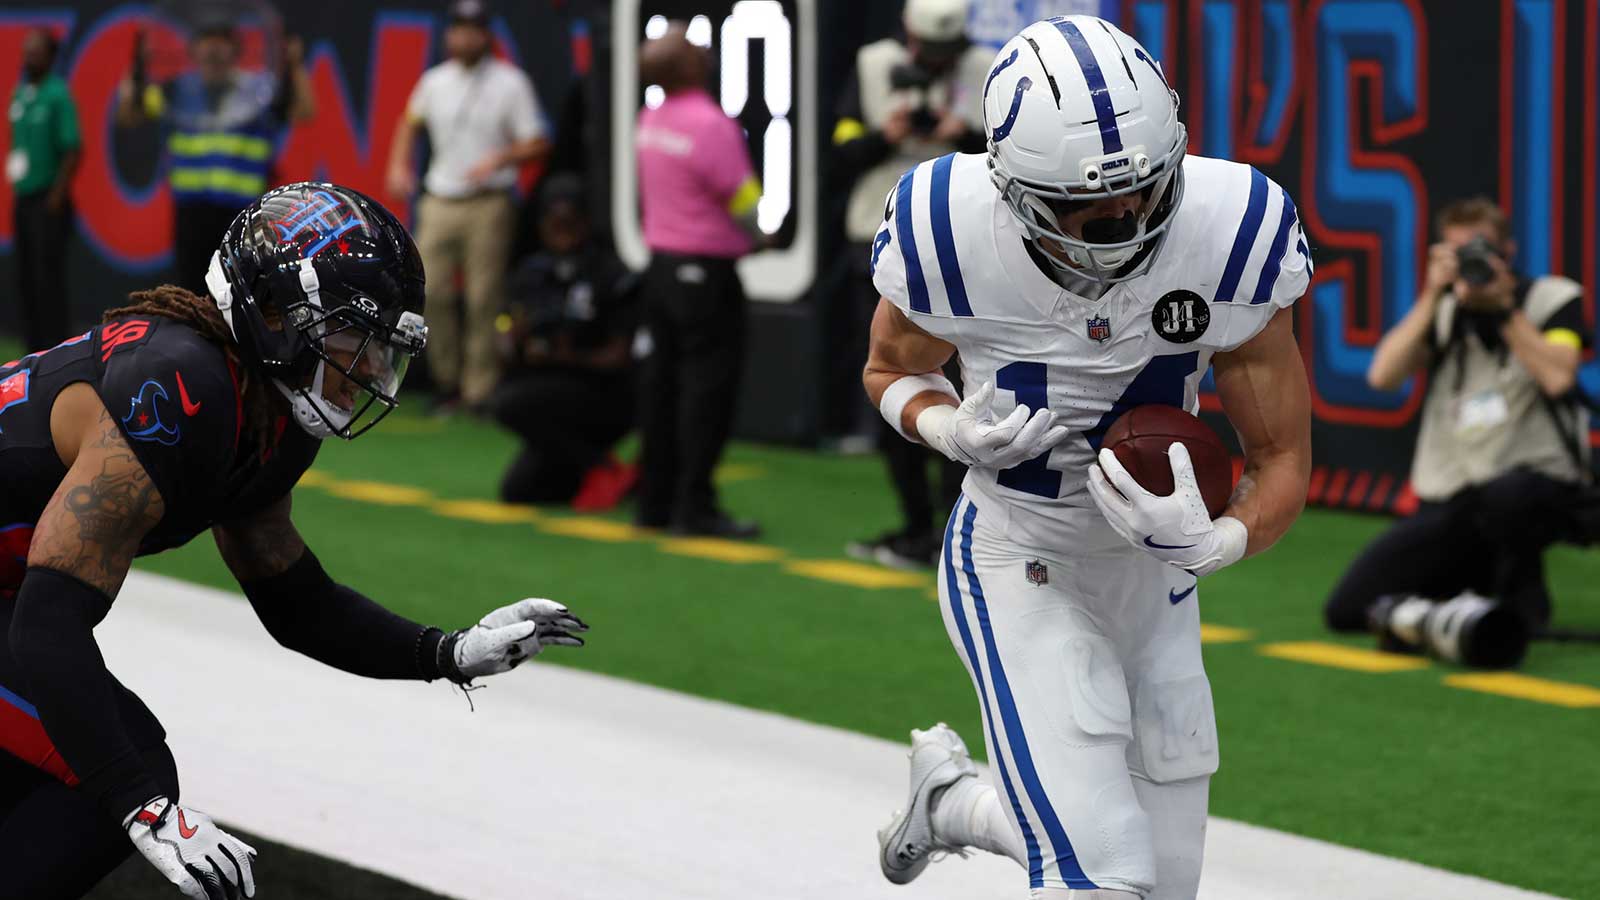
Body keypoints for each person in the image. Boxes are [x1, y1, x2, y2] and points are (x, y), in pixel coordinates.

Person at [0, 182, 587, 900]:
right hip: (20, 603)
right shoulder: (178, 386)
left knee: (77, 760)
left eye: (381, 346)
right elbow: (48, 624)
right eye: (354, 336)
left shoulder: (263, 404)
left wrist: (448, 652)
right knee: (119, 772)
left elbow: (295, 602)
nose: (370, 369)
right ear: (274, 313)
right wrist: (141, 804)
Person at [864, 16, 1313, 899]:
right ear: (1009, 187)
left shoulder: (1233, 228)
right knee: (1101, 874)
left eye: (1144, 190)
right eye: (1086, 204)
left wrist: (1217, 542)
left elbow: (1282, 455)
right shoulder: (948, 228)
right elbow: (889, 370)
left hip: (1155, 575)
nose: (1123, 219)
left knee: (1163, 885)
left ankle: (953, 804)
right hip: (1019, 550)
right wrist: (947, 428)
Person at [1324, 198, 1590, 636]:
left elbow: (1558, 377)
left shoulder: (1554, 298)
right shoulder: (1445, 310)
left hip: (1535, 485)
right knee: (1348, 608)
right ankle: (1463, 605)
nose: (1473, 263)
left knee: (1508, 498)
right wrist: (1432, 293)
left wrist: (1503, 309)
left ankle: (1518, 599)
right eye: (1459, 253)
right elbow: (1383, 375)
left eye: (1482, 250)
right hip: (1453, 497)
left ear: (1509, 251)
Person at [831, 0, 990, 567]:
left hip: (962, 246)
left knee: (967, 387)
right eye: (929, 52)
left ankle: (959, 524)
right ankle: (916, 524)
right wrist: (885, 136)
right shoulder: (872, 65)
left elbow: (1015, 159)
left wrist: (963, 135)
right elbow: (840, 153)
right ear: (908, 35)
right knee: (892, 377)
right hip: (880, 242)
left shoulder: (987, 69)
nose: (938, 63)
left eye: (947, 54)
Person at [633, 23, 766, 538]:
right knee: (706, 394)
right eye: (692, 48)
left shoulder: (650, 119)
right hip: (707, 277)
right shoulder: (711, 124)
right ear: (687, 66)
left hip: (661, 269)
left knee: (660, 387)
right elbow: (744, 202)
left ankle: (654, 503)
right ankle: (695, 507)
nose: (704, 52)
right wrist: (763, 237)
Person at [386, 0, 550, 414]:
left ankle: (480, 390)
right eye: (458, 29)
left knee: (483, 298)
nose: (464, 38)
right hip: (440, 198)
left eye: (473, 30)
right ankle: (447, 380)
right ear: (449, 35)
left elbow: (538, 141)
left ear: (486, 35)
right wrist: (398, 164)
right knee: (430, 290)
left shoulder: (510, 83)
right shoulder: (435, 80)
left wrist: (501, 158)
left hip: (489, 202)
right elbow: (409, 120)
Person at [116, 15, 315, 294]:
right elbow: (128, 114)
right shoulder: (176, 90)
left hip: (243, 215)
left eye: (222, 40)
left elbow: (305, 110)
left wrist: (294, 64)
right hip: (191, 215)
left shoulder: (259, 91)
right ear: (194, 49)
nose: (213, 48)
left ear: (235, 49)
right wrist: (138, 65)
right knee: (192, 296)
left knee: (242, 296)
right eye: (206, 40)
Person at [491, 174, 638, 509]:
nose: (562, 230)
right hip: (546, 398)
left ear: (585, 221)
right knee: (519, 490)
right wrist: (513, 341)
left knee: (509, 403)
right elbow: (503, 328)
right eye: (554, 222)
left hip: (601, 393)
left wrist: (565, 356)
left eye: (570, 222)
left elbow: (621, 356)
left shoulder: (610, 272)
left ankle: (603, 467)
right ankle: (612, 472)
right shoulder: (531, 273)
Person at [8, 27, 82, 352]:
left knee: (47, 279)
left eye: (36, 52)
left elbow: (73, 148)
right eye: (27, 51)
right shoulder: (20, 94)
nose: (29, 57)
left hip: (48, 199)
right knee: (25, 277)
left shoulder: (57, 94)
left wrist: (57, 195)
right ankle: (31, 347)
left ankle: (55, 347)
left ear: (51, 57)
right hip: (23, 198)